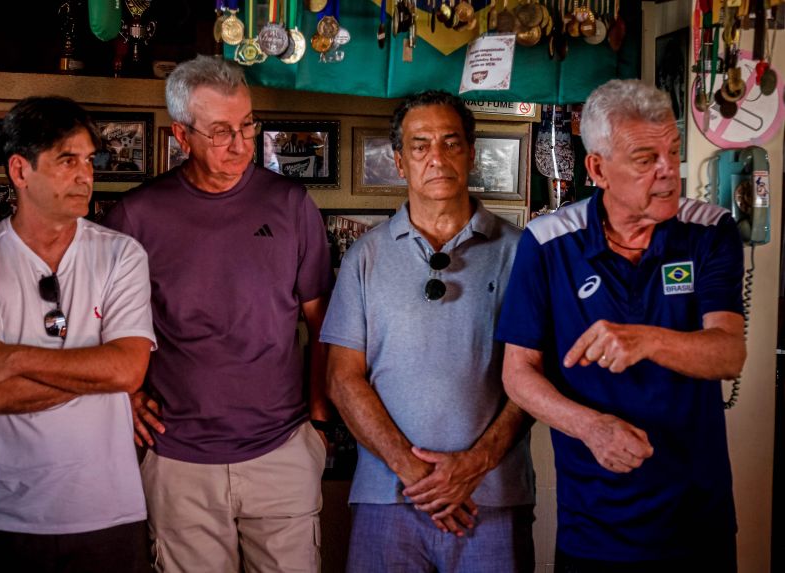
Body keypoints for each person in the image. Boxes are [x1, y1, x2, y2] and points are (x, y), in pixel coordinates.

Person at [497, 79, 746, 571]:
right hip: (594, 525)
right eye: (645, 158)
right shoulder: (547, 242)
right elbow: (518, 373)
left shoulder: (710, 231)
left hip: (697, 520)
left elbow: (728, 354)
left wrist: (646, 340)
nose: (668, 171)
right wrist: (589, 428)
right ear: (597, 169)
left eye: (672, 152)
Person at [103, 55, 332, 572]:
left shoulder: (291, 205)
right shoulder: (136, 217)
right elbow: (100, 328)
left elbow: (323, 323)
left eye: (247, 125)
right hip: (178, 459)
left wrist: (319, 423)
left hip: (282, 449)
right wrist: (126, 397)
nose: (241, 144)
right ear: (181, 136)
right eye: (221, 131)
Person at [321, 90, 535, 573]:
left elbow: (537, 375)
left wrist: (474, 465)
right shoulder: (365, 256)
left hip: (490, 496)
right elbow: (341, 378)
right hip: (389, 495)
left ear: (471, 153)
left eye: (450, 143)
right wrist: (414, 472)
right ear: (400, 161)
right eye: (420, 146)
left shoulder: (521, 252)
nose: (436, 158)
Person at [0, 96, 156, 573]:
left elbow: (127, 371)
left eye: (89, 161)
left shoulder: (121, 256)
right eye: (67, 161)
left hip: (106, 512)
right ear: (20, 170)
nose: (86, 176)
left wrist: (12, 358)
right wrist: (95, 373)